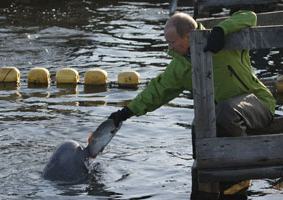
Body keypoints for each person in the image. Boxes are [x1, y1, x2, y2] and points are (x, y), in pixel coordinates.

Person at [108, 10, 276, 199]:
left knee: (226, 111)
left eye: (171, 42)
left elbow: (249, 16)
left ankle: (240, 177)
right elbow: (156, 91)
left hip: (257, 104)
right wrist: (126, 112)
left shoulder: (222, 39)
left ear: (187, 37)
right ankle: (205, 183)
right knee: (199, 124)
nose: (169, 47)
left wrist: (221, 30)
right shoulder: (179, 66)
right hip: (223, 117)